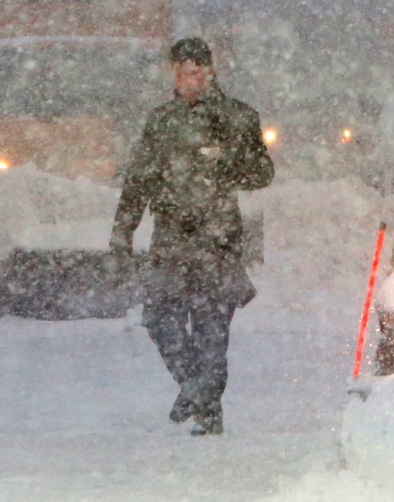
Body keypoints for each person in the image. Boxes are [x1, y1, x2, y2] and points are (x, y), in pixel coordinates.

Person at [110, 37, 274, 436]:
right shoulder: (161, 120)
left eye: (200, 71)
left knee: (211, 327)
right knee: (159, 317)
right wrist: (122, 232)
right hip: (170, 237)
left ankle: (208, 412)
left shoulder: (237, 116)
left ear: (212, 71)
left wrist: (224, 166)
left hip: (217, 237)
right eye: (185, 71)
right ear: (174, 72)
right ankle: (195, 388)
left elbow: (262, 173)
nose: (193, 79)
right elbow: (139, 180)